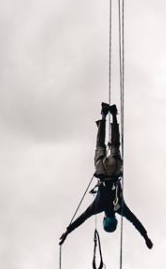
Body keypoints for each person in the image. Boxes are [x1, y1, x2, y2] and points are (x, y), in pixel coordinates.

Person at [60, 102, 153, 249]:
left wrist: (146, 237)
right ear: (104, 218)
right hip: (102, 171)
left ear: (115, 218)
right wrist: (67, 231)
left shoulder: (120, 208)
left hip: (114, 170)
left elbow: (135, 221)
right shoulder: (98, 207)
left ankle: (114, 115)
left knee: (115, 145)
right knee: (100, 146)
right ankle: (104, 114)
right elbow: (82, 218)